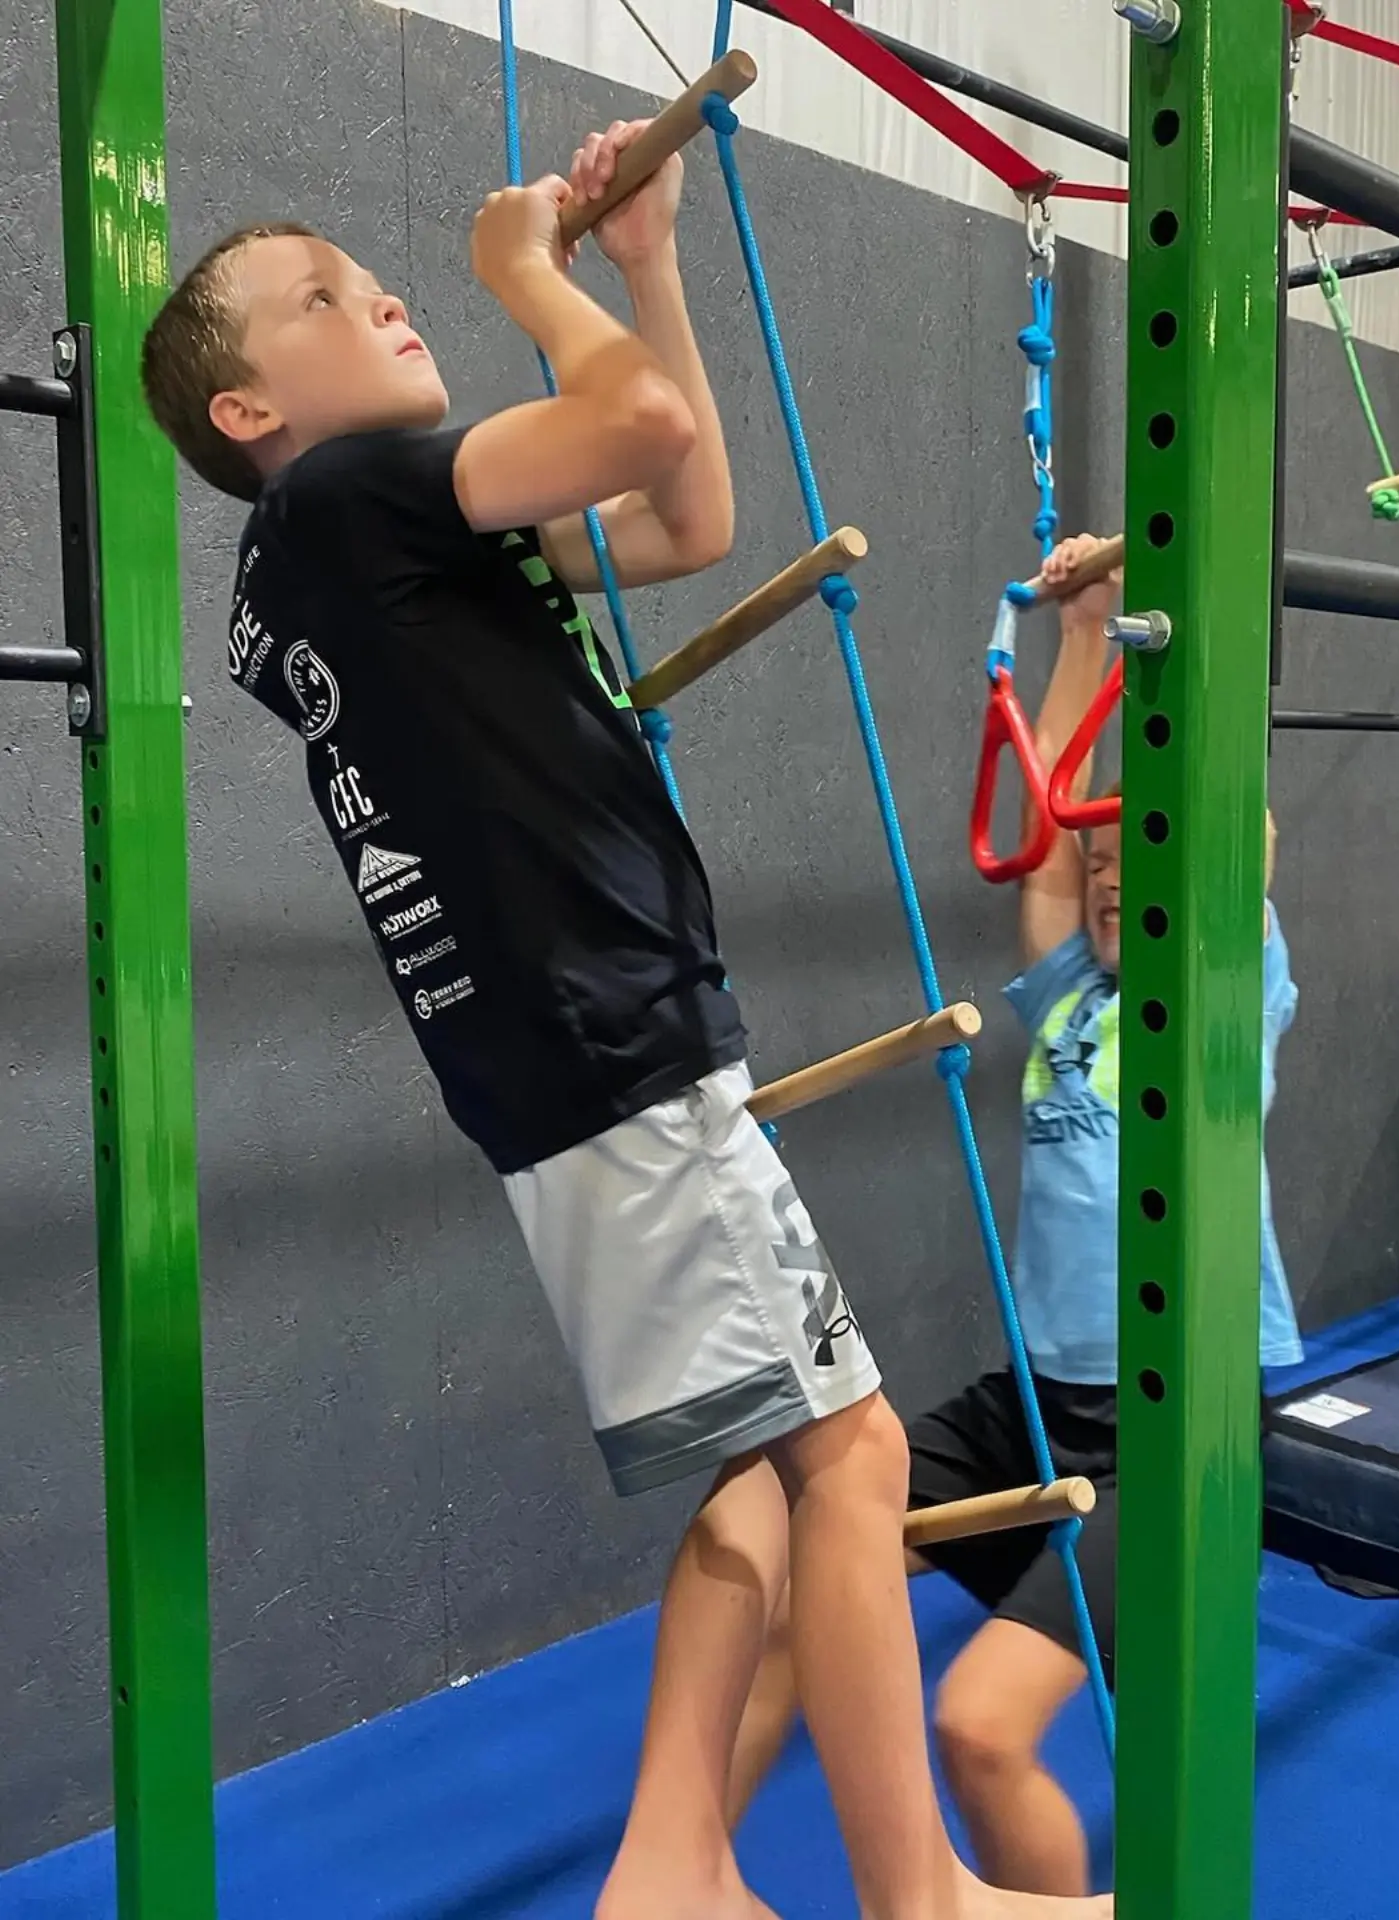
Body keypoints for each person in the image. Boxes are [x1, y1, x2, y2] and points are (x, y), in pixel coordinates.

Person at [140, 118, 1110, 1920]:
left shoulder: (365, 554)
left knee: (756, 1473)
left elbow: (693, 521)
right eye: (340, 298)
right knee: (857, 1451)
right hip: (609, 1041)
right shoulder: (349, 503)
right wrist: (535, 277)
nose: (396, 298)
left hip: (561, 1065)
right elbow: (649, 434)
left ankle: (670, 1869)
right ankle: (927, 1899)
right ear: (254, 412)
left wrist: (649, 265)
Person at [726, 532, 1301, 1894]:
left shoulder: (1223, 1000)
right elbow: (1044, 834)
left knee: (978, 1731)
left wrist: (1168, 626)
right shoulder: (1068, 1001)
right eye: (1096, 881)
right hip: (1037, 1405)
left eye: (1134, 875)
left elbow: (1231, 834)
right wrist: (1084, 633)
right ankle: (680, 1859)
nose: (1108, 887)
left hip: (1187, 1422)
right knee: (796, 1537)